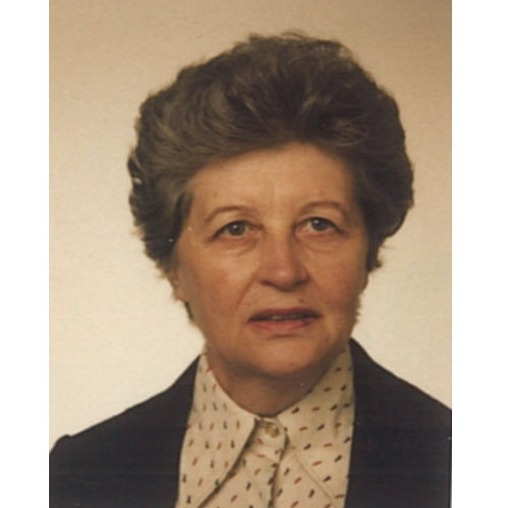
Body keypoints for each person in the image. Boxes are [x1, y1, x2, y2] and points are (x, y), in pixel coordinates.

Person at [49, 33, 451, 508]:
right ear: (173, 267)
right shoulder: (77, 477)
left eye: (318, 224)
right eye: (235, 229)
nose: (283, 271)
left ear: (367, 251)